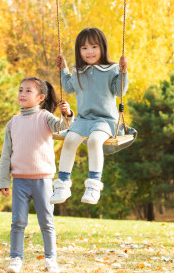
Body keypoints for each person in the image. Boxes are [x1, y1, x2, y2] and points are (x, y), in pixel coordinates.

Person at [50, 27, 136, 206]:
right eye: (84, 48)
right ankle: (63, 185)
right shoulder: (79, 71)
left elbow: (119, 90)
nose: (89, 52)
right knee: (70, 140)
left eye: (94, 47)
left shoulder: (111, 69)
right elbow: (68, 87)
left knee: (94, 141)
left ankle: (93, 186)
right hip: (83, 120)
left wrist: (123, 71)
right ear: (78, 51)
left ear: (102, 48)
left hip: (105, 120)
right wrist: (64, 68)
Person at [0, 77, 74, 273]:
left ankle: (51, 259)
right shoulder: (13, 122)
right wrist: (4, 181)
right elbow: (6, 154)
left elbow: (63, 127)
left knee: (47, 222)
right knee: (18, 222)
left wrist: (68, 114)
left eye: (28, 91)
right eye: (20, 90)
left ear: (40, 97)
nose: (22, 94)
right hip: (20, 181)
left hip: (42, 180)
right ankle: (15, 259)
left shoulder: (45, 117)